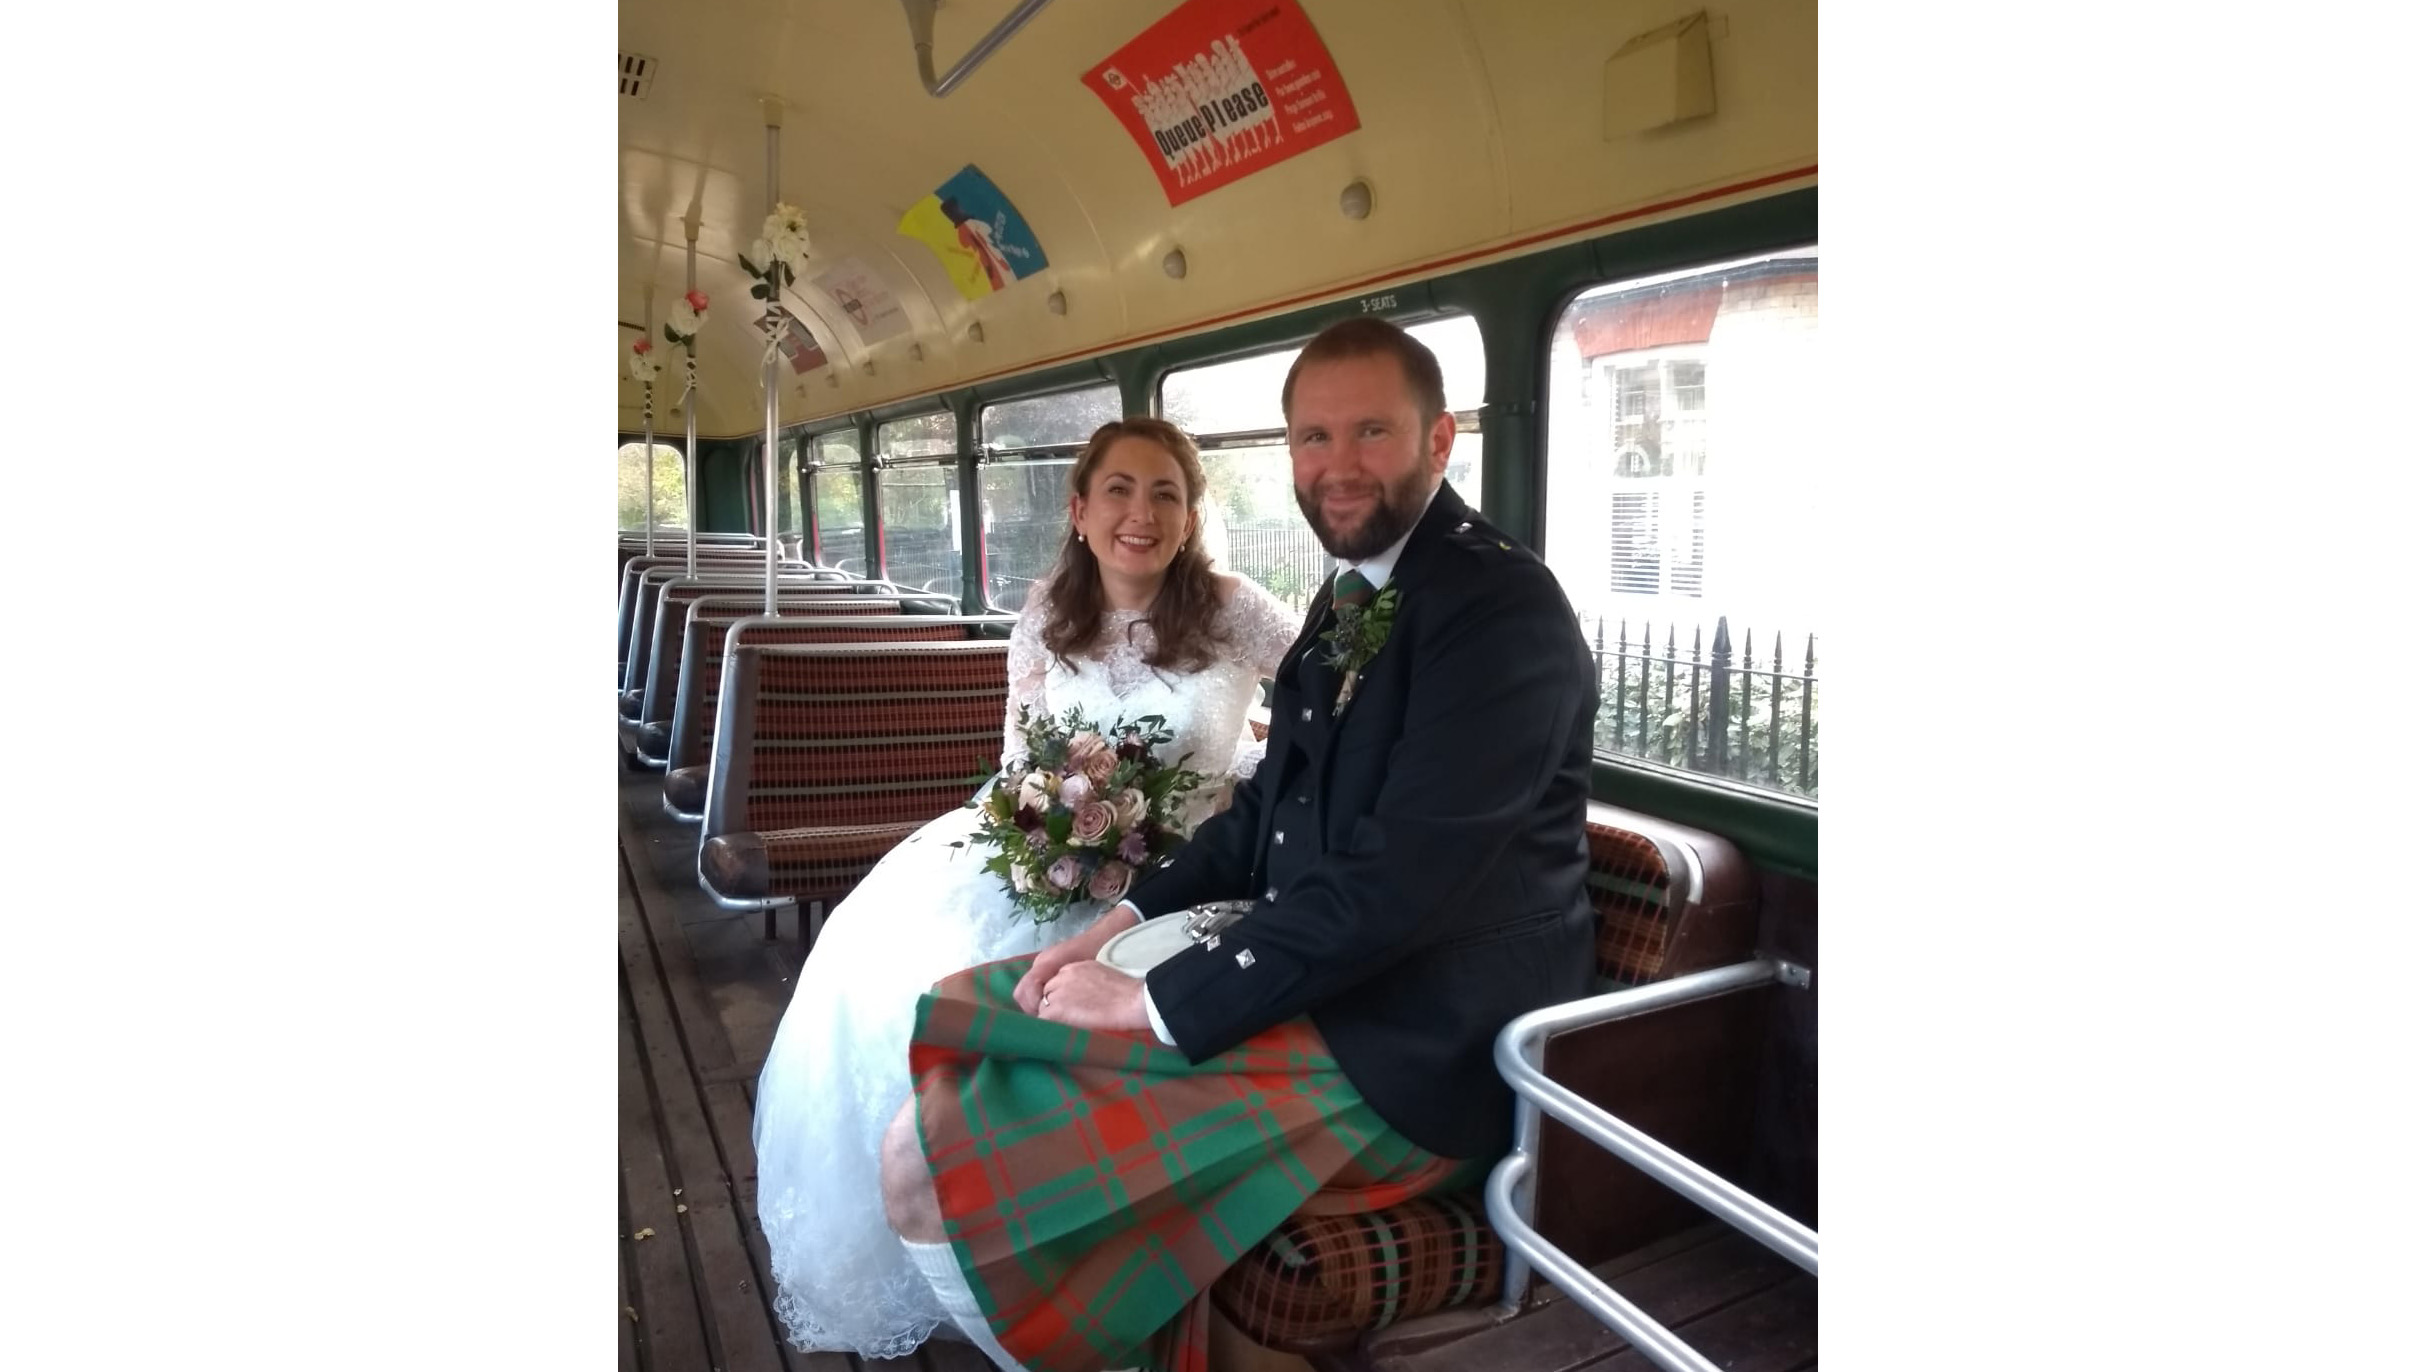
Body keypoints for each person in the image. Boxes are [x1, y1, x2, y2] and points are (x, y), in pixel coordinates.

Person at [878, 318, 1599, 1372]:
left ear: (1440, 440)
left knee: (927, 1164)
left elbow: (1401, 883)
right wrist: (1120, 925)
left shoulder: (1500, 612)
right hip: (1323, 983)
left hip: (1423, 1042)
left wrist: (1155, 1000)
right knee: (959, 1045)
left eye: (1370, 433)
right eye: (1312, 438)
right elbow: (1267, 814)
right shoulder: (1355, 594)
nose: (1336, 466)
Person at [752, 417, 1304, 1360]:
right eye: (1121, 491)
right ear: (1082, 511)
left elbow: (1314, 728)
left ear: (1190, 513)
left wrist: (1234, 788)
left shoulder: (1236, 610)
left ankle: (1088, 1255)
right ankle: (953, 1235)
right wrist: (1049, 826)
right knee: (905, 983)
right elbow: (1020, 760)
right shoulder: (1049, 614)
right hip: (1053, 858)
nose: (1143, 513)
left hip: (1193, 877)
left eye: (1167, 492)